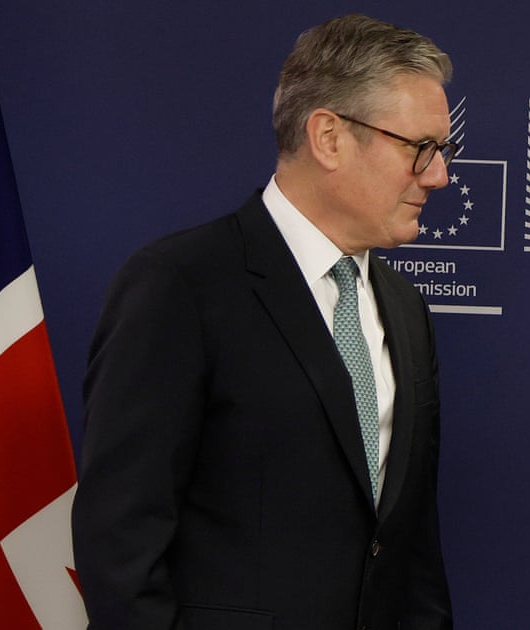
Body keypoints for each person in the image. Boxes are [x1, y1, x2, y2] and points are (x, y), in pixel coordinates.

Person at [72, 14, 457, 630]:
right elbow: (121, 544)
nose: (439, 175)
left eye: (443, 151)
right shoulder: (180, 286)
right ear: (328, 137)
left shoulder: (406, 309)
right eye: (421, 149)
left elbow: (412, 548)